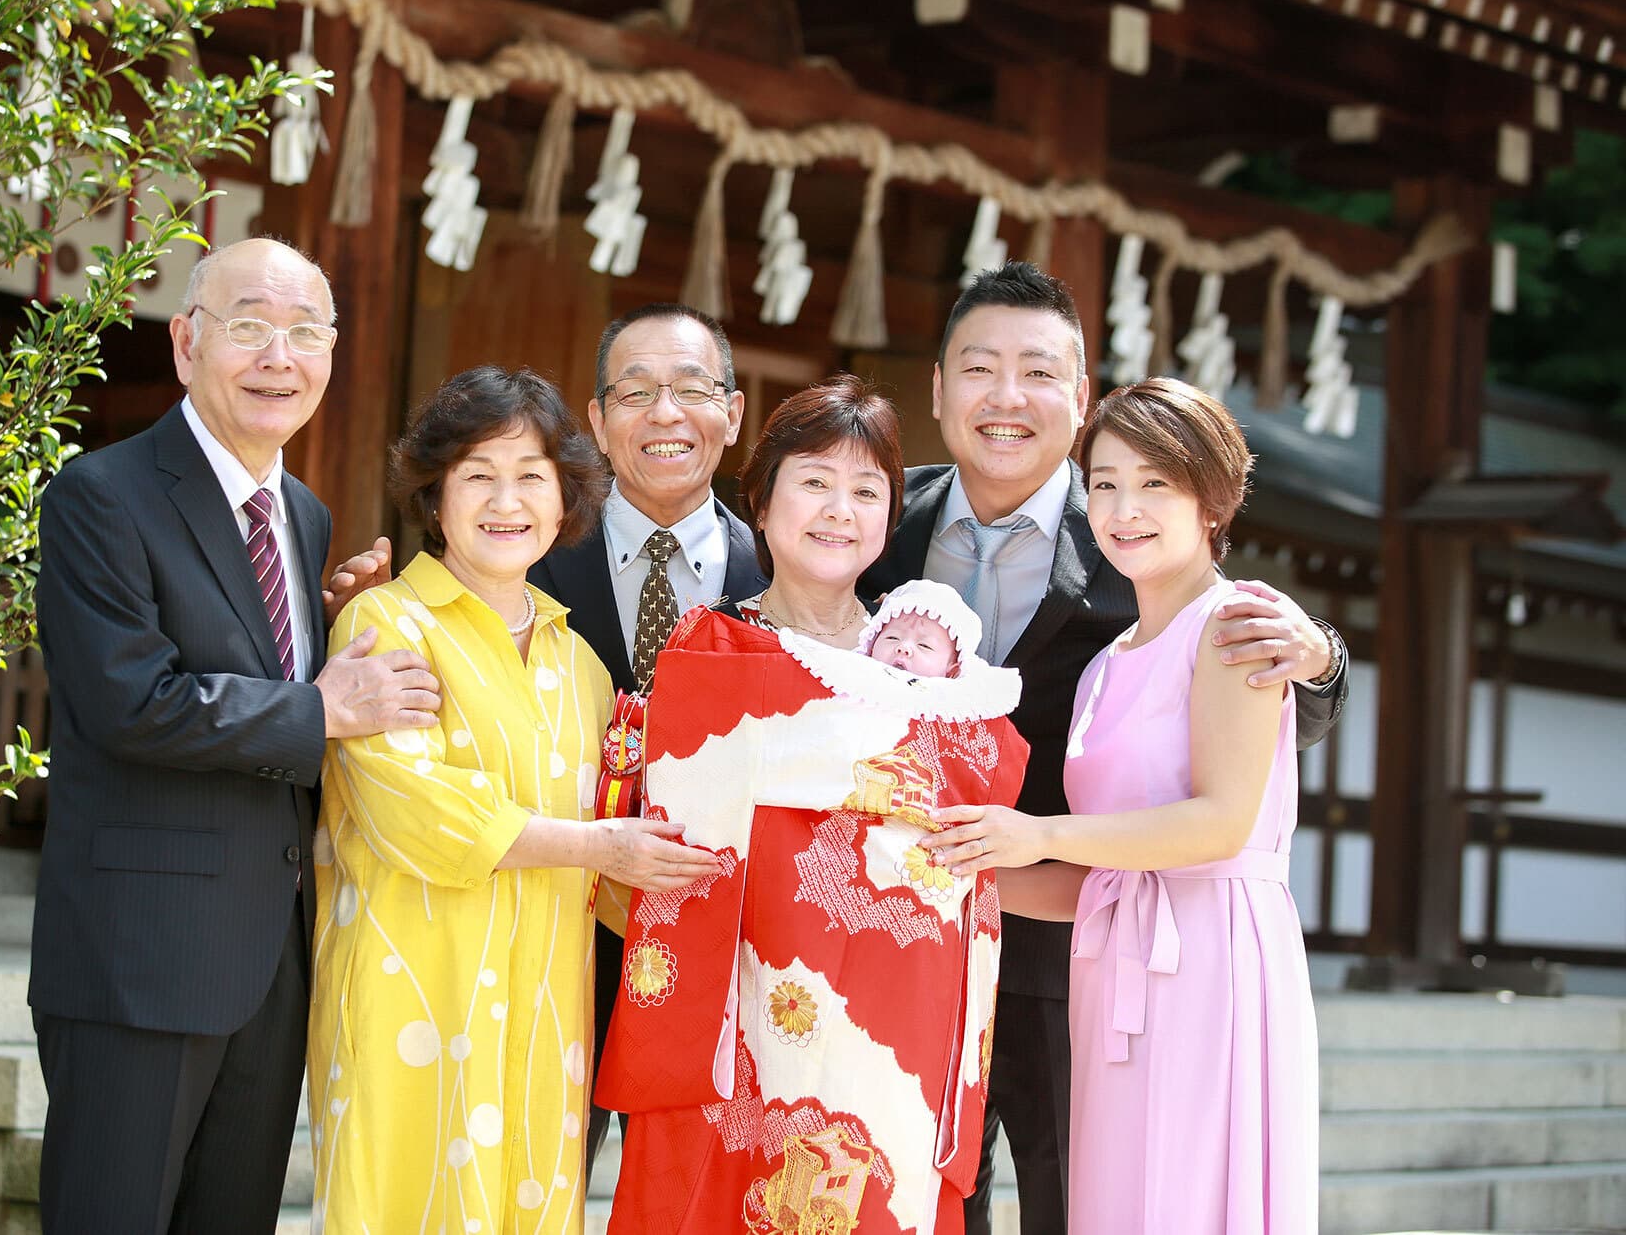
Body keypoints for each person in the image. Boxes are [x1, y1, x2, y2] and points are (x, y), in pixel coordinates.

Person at [863, 262, 1347, 1235]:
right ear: (936, 387)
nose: (1006, 396)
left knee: (1105, 1200)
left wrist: (1323, 659)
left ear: (1077, 396)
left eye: (1037, 371)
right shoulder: (867, 517)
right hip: (959, 932)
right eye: (978, 367)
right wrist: (931, 865)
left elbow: (1241, 767)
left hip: (1132, 965)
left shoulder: (1168, 576)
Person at [28, 238, 440, 1233]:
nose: (277, 357)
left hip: (272, 957)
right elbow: (134, 701)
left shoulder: (300, 515)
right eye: (248, 327)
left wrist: (328, 633)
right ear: (184, 343)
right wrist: (323, 706)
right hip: (141, 954)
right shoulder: (100, 495)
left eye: (305, 333)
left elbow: (254, 680)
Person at [598, 379, 1028, 1234]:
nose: (841, 510)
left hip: (888, 1032)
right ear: (761, 500)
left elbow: (982, 807)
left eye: (868, 491)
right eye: (815, 481)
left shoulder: (932, 675)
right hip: (739, 1020)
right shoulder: (709, 648)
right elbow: (675, 808)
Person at [306, 365, 722, 1231]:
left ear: (564, 497)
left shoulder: (583, 664)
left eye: (531, 475)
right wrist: (600, 847)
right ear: (436, 493)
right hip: (413, 990)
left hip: (545, 1011)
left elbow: (620, 862)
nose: (508, 499)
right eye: (478, 474)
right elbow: (417, 814)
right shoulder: (386, 625)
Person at [527, 302, 766, 1170]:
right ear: (597, 420)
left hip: (725, 951)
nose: (665, 414)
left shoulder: (784, 574)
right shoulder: (522, 564)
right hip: (553, 936)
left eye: (692, 388)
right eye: (635, 392)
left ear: (732, 413)